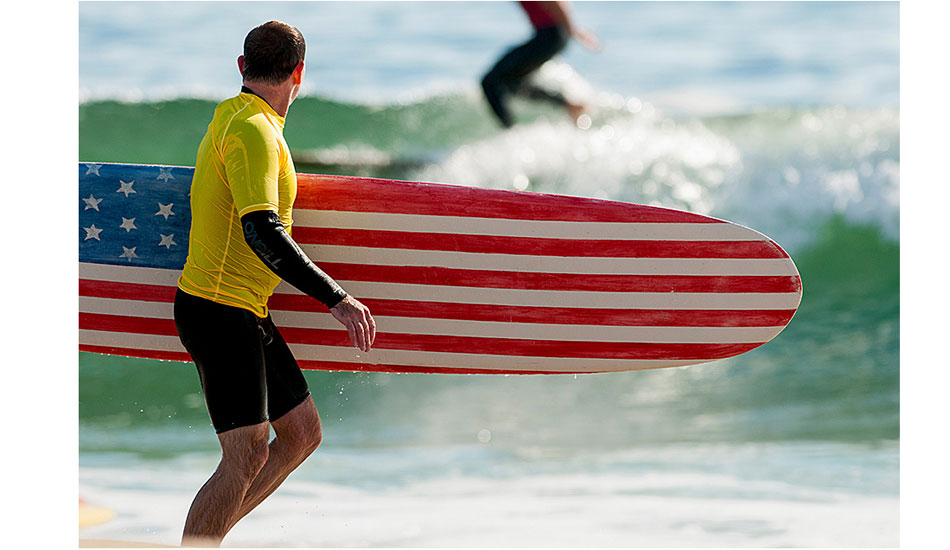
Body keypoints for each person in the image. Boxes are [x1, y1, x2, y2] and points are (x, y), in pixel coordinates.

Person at [173, 21, 376, 547]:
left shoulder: (236, 115)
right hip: (219, 308)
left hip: (245, 308)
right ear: (300, 74)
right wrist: (337, 297)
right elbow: (261, 228)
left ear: (242, 67)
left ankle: (206, 537)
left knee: (302, 435)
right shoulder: (255, 131)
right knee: (245, 453)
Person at [481, 1, 601, 128]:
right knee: (511, 83)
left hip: (551, 35)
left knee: (490, 82)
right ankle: (570, 105)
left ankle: (511, 131)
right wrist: (574, 30)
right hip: (552, 35)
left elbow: (554, 3)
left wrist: (573, 31)